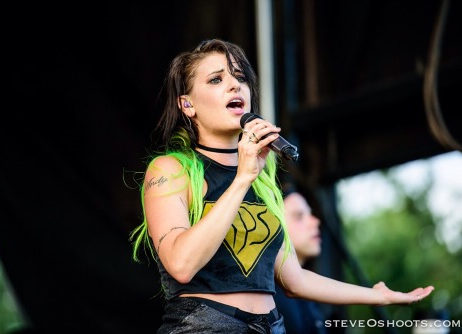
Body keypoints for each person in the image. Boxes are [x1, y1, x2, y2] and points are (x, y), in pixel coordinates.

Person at [130, 38, 434, 334]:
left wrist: (376, 295)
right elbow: (181, 264)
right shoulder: (171, 169)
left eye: (240, 78)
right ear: (187, 104)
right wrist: (242, 179)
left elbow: (294, 280)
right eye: (216, 79)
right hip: (205, 324)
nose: (235, 85)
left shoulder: (261, 178)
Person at [274, 187, 327, 334]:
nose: (315, 221)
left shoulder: (310, 291)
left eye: (310, 214)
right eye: (299, 216)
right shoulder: (269, 300)